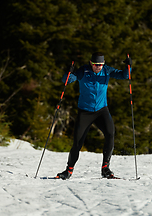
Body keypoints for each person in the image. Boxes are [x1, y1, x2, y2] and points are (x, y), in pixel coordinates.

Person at [56, 52, 132, 180]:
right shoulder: (83, 71)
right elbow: (67, 80)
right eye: (96, 64)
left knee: (110, 133)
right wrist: (68, 73)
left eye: (101, 64)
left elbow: (124, 75)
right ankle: (68, 170)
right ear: (91, 63)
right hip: (85, 112)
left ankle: (105, 168)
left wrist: (129, 67)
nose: (98, 67)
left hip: (101, 110)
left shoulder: (107, 70)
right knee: (77, 142)